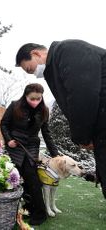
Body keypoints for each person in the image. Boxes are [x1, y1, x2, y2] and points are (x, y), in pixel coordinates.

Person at [15, 40, 106, 199]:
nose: (34, 74)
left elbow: (81, 97)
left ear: (36, 54)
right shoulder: (57, 65)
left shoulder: (68, 51)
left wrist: (82, 137)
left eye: (30, 69)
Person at [0, 83, 59, 226]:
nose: (35, 101)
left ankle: (40, 213)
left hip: (31, 147)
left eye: (38, 98)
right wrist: (8, 140)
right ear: (25, 96)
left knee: (32, 177)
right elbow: (3, 124)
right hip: (16, 146)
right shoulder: (14, 106)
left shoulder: (44, 110)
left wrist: (55, 154)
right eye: (32, 98)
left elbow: (46, 133)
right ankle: (27, 208)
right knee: (18, 177)